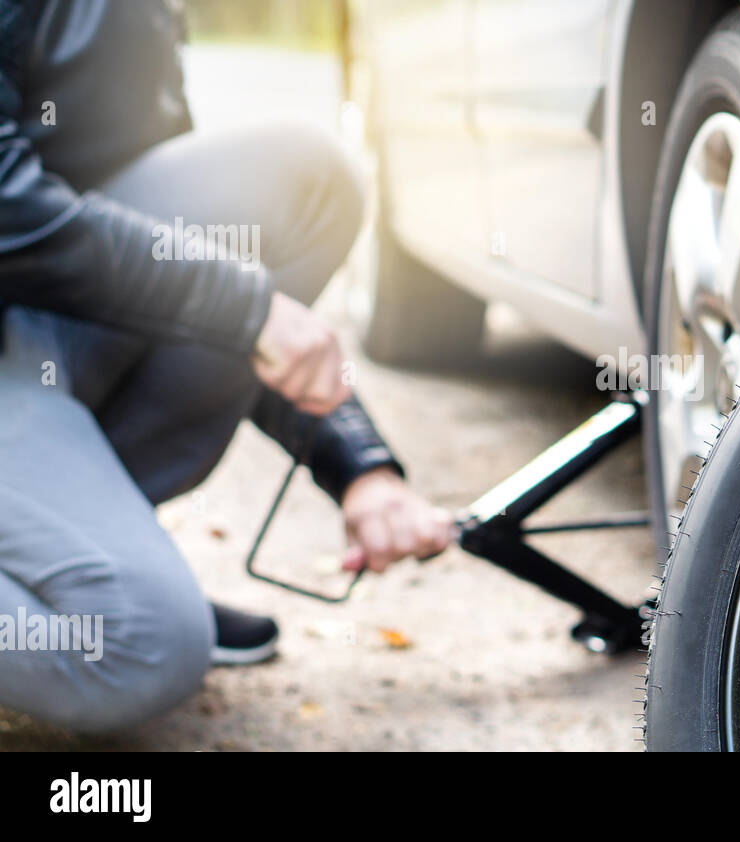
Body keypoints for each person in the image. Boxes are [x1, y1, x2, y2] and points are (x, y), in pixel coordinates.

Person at [0, 0, 456, 732]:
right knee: (141, 644)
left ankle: (75, 551)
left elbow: (191, 278)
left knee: (301, 176)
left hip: (33, 329)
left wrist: (357, 465)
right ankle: (74, 578)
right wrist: (244, 310)